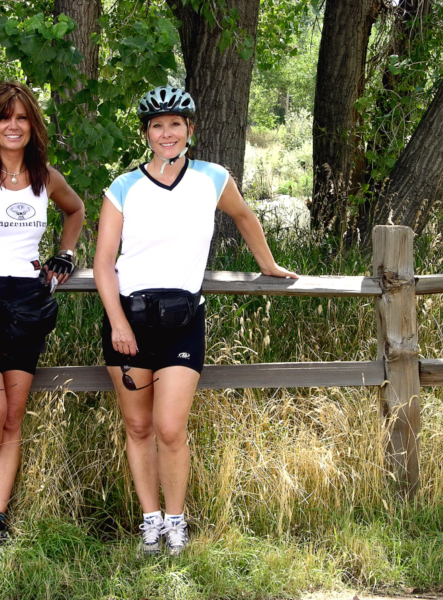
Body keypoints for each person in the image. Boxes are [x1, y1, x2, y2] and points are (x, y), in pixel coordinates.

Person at [93, 86, 298, 556]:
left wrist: (267, 265)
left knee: (169, 426)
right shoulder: (123, 187)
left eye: (175, 124)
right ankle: (150, 523)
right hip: (129, 321)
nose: (166, 133)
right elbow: (104, 262)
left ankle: (176, 522)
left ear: (190, 129)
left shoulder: (212, 178)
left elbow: (245, 217)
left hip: (184, 320)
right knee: (139, 427)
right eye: (157, 126)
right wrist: (118, 322)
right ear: (146, 133)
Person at [0, 82, 84, 552]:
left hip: (26, 304)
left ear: (33, 125)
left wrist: (65, 254)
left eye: (22, 117)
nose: (13, 125)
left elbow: (76, 209)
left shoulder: (44, 175)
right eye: (5, 117)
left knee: (12, 419)